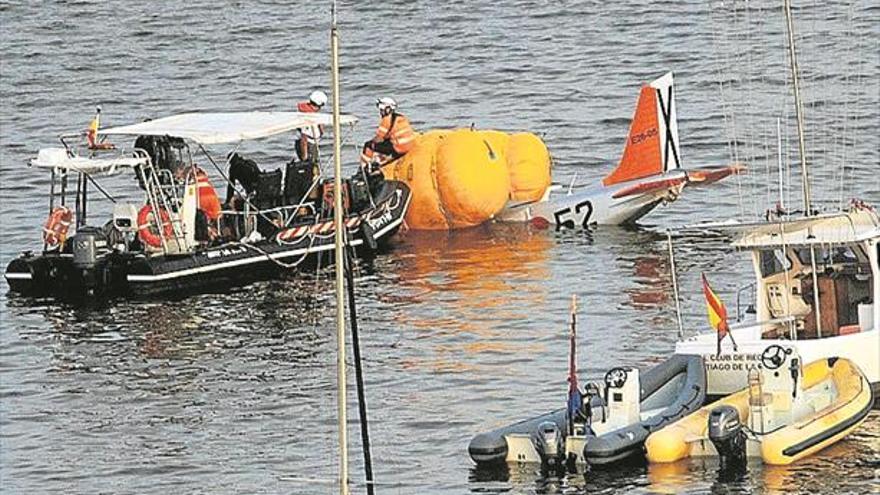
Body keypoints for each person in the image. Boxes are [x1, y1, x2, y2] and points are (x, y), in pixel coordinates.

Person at [360, 97, 417, 167]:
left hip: (399, 148)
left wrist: (372, 142)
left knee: (368, 145)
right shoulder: (401, 117)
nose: (380, 112)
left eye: (382, 110)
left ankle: (363, 168)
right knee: (385, 144)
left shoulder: (386, 120)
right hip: (409, 145)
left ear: (388, 109)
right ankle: (381, 161)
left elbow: (378, 139)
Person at [295, 90, 328, 163]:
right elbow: (304, 139)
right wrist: (305, 158)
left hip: (312, 144)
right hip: (308, 146)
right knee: (312, 168)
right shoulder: (308, 117)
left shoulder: (312, 115)